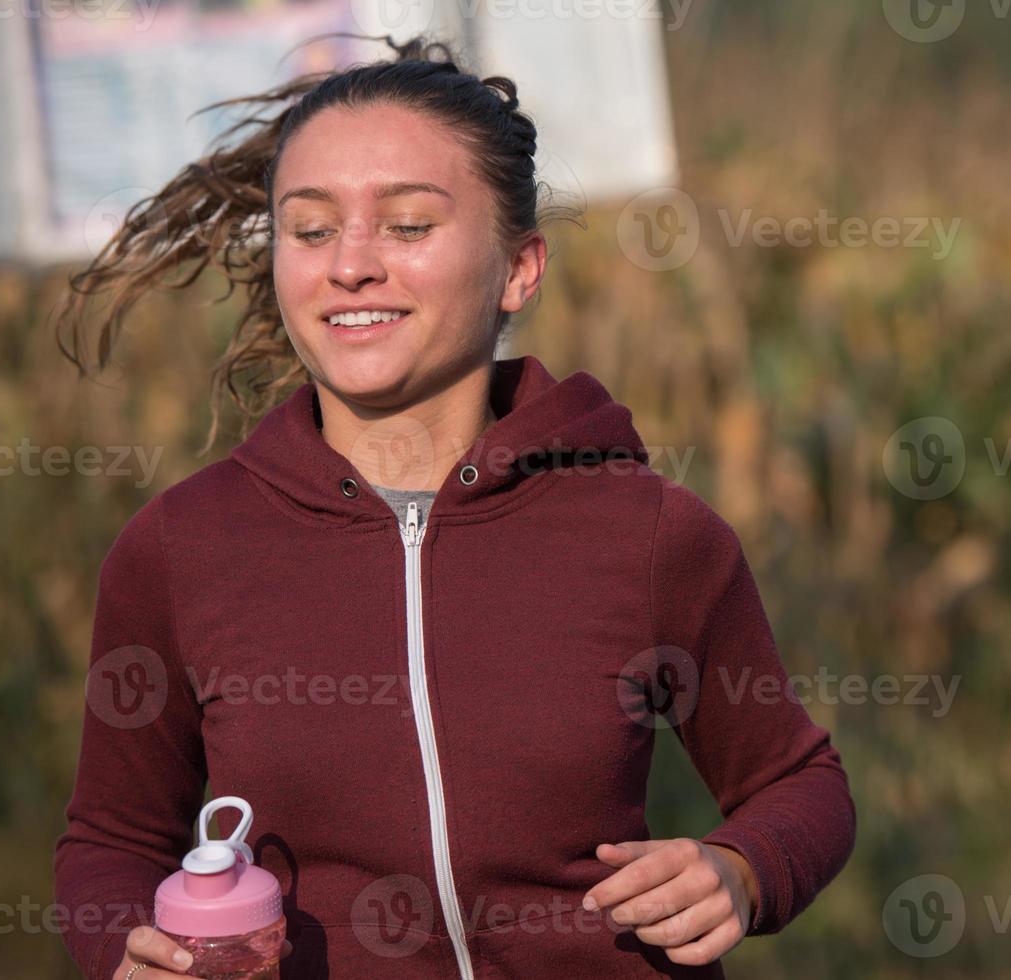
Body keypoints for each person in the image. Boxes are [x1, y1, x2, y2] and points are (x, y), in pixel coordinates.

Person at [49, 34, 855, 980]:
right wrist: (125, 951)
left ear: (519, 267)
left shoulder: (649, 535)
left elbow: (800, 785)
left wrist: (738, 870)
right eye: (311, 231)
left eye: (407, 226)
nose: (350, 266)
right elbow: (108, 843)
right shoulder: (179, 550)